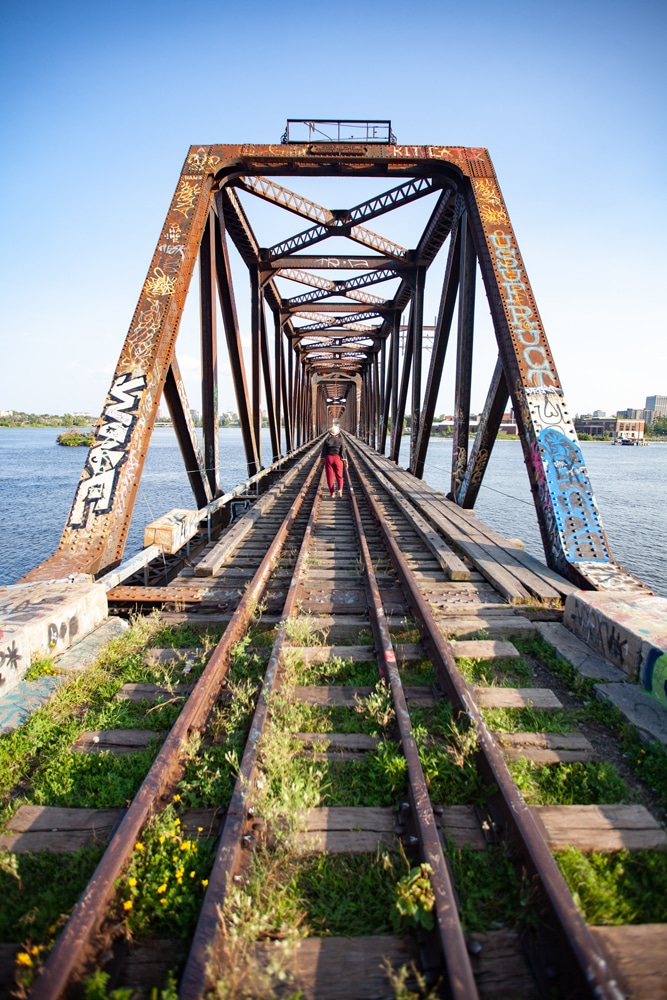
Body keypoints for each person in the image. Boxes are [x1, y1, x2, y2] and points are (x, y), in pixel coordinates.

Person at [321, 424, 348, 497]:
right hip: (338, 459)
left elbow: (324, 452)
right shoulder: (341, 440)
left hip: (329, 458)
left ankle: (332, 493)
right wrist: (345, 461)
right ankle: (340, 490)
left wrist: (322, 460)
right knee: (339, 476)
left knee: (330, 476)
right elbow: (342, 452)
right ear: (338, 433)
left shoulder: (327, 440)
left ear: (330, 433)